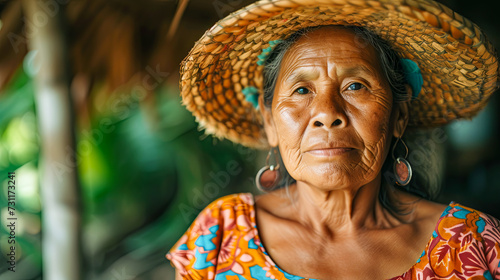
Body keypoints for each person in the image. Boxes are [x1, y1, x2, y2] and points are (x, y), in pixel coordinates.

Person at [167, 0, 500, 279]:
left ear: (398, 117)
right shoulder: (219, 236)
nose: (327, 112)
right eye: (301, 90)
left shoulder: (472, 243)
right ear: (269, 123)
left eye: (355, 86)